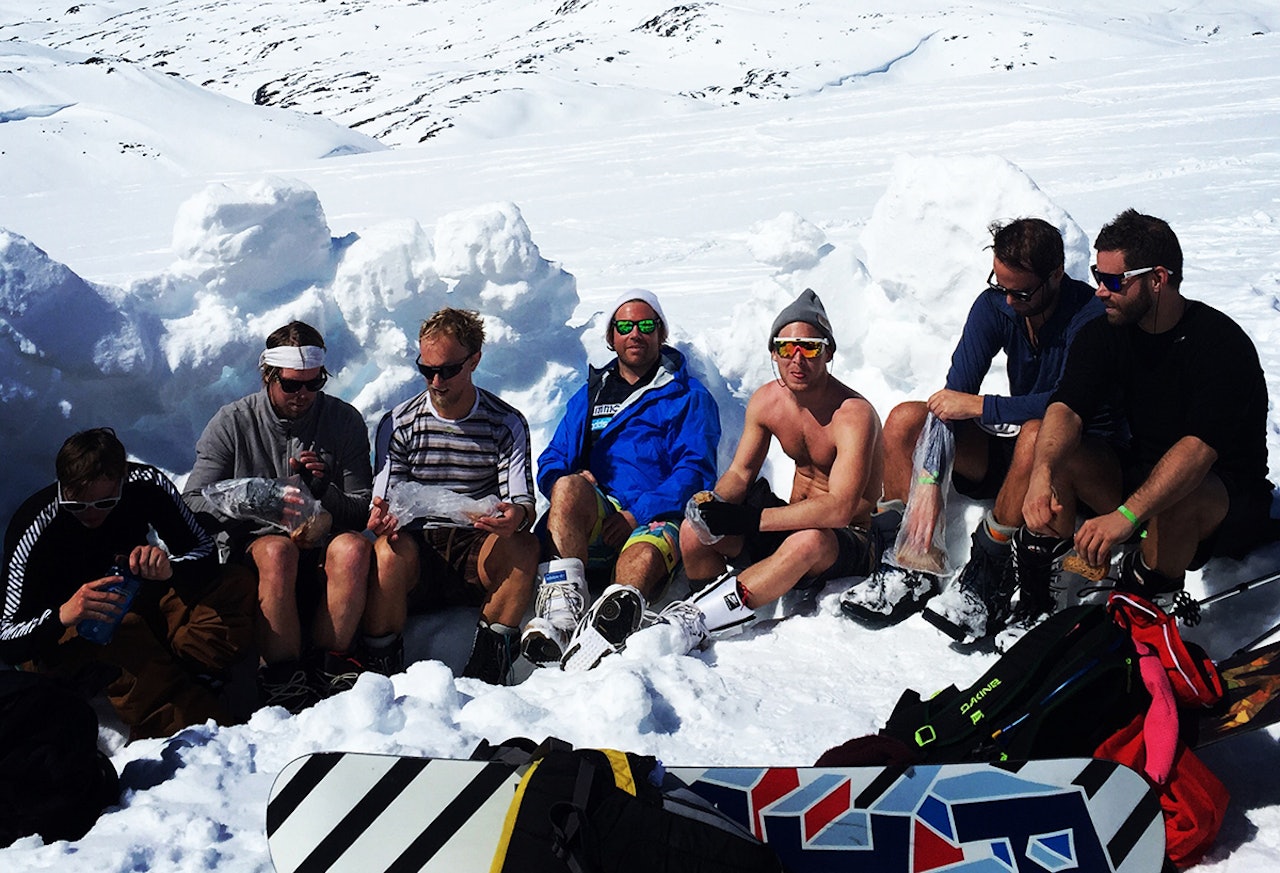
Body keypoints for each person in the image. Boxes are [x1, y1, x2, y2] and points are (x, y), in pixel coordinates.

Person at [838, 218, 1105, 641]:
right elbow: (957, 389)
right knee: (909, 418)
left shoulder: (1090, 317)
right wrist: (929, 473)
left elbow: (1069, 405)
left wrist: (981, 405)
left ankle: (991, 567)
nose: (1010, 301)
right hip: (1019, 453)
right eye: (1001, 286)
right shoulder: (996, 305)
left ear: (1056, 274)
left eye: (1021, 291)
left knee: (1038, 431)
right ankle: (911, 555)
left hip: (1073, 463)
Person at [1016, 209, 1274, 640]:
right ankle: (1048, 606)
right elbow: (1067, 407)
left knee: (1178, 496)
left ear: (1158, 278)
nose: (1100, 291)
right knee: (1058, 445)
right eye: (1098, 275)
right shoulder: (1107, 332)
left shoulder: (1220, 345)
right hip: (1146, 476)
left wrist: (1126, 515)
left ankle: (1142, 615)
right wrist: (1041, 474)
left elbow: (1198, 450)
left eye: (1114, 281)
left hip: (1223, 500)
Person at [655, 289, 882, 654]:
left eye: (809, 347)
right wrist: (716, 507)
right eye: (785, 347)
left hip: (846, 541)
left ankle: (699, 620)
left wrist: (749, 519)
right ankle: (702, 607)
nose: (797, 359)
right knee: (694, 532)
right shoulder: (767, 401)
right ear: (773, 352)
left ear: (828, 352)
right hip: (787, 528)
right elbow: (741, 473)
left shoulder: (853, 415)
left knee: (809, 540)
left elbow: (840, 508)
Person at [185, 321, 393, 714]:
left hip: (324, 541)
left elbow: (361, 506)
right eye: (292, 385)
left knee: (351, 549)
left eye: (313, 385)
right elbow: (194, 500)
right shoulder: (233, 422)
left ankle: (333, 665)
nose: (303, 395)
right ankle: (282, 677)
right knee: (279, 551)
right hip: (258, 546)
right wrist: (260, 500)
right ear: (268, 376)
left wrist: (323, 491)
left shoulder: (343, 420)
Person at [1, 427, 254, 740]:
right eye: (76, 505)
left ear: (122, 479)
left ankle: (194, 669)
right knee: (123, 628)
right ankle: (202, 733)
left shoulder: (145, 484)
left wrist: (168, 570)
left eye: (105, 503)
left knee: (234, 583)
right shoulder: (35, 524)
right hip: (67, 635)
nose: (91, 514)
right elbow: (6, 638)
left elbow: (201, 550)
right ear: (62, 487)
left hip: (136, 596)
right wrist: (64, 613)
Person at [528, 290, 720, 671]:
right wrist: (568, 482)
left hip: (654, 516)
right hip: (599, 515)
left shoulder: (687, 396)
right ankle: (564, 620)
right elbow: (552, 460)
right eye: (626, 326)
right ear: (611, 337)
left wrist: (636, 513)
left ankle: (609, 625)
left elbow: (695, 470)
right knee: (566, 486)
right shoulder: (590, 396)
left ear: (660, 333)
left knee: (644, 557)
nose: (636, 333)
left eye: (647, 325)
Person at [370, 307, 539, 685]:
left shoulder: (505, 422)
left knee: (525, 548)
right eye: (426, 369)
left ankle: (487, 669)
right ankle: (379, 670)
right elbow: (385, 498)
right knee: (385, 553)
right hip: (417, 542)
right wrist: (380, 518)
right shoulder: (398, 423)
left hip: (476, 541)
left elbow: (521, 500)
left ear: (474, 360)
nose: (435, 381)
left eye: (447, 370)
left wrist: (515, 517)